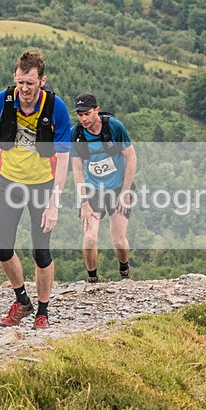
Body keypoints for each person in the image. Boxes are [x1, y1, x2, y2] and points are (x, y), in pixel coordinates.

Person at [0, 51, 71, 329]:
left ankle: (43, 311)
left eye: (30, 83)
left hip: (42, 185)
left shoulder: (56, 108)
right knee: (3, 249)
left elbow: (64, 156)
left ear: (42, 80)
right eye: (20, 82)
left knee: (40, 252)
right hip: (9, 183)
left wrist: (55, 201)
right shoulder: (1, 103)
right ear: (14, 78)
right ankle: (22, 300)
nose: (25, 89)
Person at [71, 92, 137, 283]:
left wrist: (125, 193)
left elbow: (131, 157)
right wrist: (83, 201)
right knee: (90, 238)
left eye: (87, 113)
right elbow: (77, 169)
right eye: (80, 114)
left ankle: (124, 269)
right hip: (93, 190)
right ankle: (92, 280)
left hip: (118, 187)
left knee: (118, 240)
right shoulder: (76, 134)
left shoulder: (114, 127)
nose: (83, 118)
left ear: (96, 111)